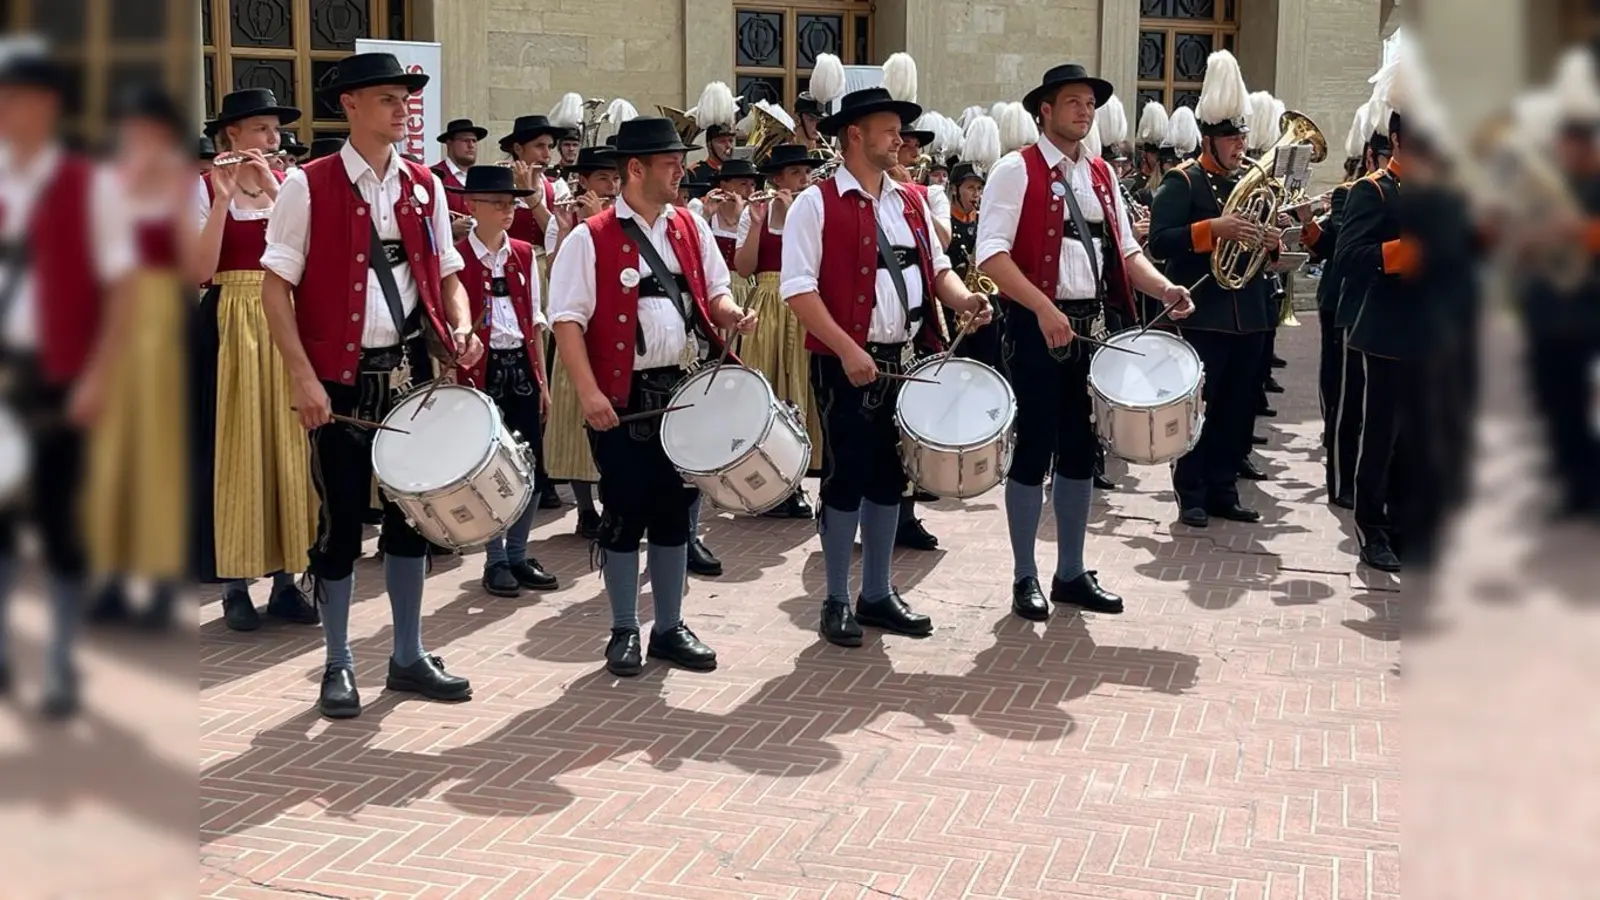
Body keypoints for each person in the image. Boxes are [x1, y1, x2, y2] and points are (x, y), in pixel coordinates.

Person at [260, 51, 481, 718]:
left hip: (411, 375)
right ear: (350, 105)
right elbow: (276, 289)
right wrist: (304, 379)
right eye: (388, 97)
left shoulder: (425, 185)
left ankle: (407, 655)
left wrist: (461, 326)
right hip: (341, 383)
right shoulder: (309, 184)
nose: (402, 107)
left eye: (405, 97)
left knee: (413, 520)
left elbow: (446, 274)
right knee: (340, 526)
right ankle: (337, 662)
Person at [977, 63, 1194, 622]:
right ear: (1044, 111)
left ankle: (1070, 571)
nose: (1084, 110)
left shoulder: (1100, 174)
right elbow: (991, 257)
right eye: (1072, 101)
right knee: (1033, 449)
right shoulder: (1014, 170)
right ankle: (1025, 575)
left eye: (1089, 103)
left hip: (1092, 326)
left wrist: (1164, 286)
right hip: (1034, 323)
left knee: (1080, 449)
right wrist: (1044, 308)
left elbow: (1124, 252)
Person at [781, 86, 993, 647]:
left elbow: (937, 270)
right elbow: (798, 290)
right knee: (845, 479)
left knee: (890, 479)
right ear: (855, 134)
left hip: (905, 362)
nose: (901, 138)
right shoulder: (815, 203)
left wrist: (963, 300)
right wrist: (848, 349)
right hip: (845, 364)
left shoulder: (912, 203)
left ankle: (876, 593)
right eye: (889, 128)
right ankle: (833, 600)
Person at [547, 116, 757, 677]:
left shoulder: (689, 225)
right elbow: (566, 322)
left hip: (685, 390)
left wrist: (733, 314)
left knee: (676, 512)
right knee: (624, 513)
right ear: (635, 170)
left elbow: (715, 291)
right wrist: (590, 394)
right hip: (622, 398)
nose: (680, 172)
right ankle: (622, 629)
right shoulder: (588, 238)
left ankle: (668, 627)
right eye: (670, 163)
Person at [0, 50, 137, 716]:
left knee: (60, 523)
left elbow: (122, 292)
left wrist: (98, 379)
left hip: (62, 376)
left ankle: (58, 664)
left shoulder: (91, 185)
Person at [193, 87, 321, 632]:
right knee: (238, 447)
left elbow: (308, 258)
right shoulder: (199, 187)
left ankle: (290, 579)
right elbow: (197, 269)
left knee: (291, 447)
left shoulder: (290, 187)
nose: (273, 140)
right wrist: (223, 198)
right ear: (232, 137)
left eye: (274, 131)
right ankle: (236, 585)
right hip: (230, 322)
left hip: (285, 316)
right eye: (262, 130)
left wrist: (274, 190)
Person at [1147, 50, 1274, 530]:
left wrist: (1270, 243)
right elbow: (1161, 242)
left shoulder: (1247, 181)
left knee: (1240, 408)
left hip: (1250, 312)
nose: (1239, 146)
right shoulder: (1184, 181)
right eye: (1230, 138)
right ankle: (1192, 490)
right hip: (1205, 312)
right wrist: (1213, 229)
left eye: (1241, 136)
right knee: (1201, 404)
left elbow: (1259, 248)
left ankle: (1224, 488)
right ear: (1209, 140)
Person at [82, 84, 192, 630]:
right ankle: (110, 578)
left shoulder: (180, 187)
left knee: (160, 460)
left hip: (166, 322)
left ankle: (156, 582)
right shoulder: (106, 185)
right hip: (113, 320)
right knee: (111, 459)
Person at [449, 164, 562, 597]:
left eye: (512, 202)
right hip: (481, 369)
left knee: (529, 462)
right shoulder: (458, 256)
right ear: (472, 206)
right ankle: (495, 558)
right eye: (497, 203)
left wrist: (543, 381)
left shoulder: (523, 253)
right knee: (485, 466)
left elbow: (534, 319)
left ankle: (518, 552)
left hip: (520, 366)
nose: (508, 210)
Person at [733, 143, 823, 519]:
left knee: (800, 389)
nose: (804, 180)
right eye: (796, 174)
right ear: (777, 180)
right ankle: (762, 481)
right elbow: (743, 267)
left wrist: (796, 217)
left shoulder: (816, 209)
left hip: (805, 301)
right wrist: (756, 223)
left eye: (806, 173)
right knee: (767, 390)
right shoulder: (758, 211)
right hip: (767, 302)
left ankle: (797, 478)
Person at [543, 145, 621, 540]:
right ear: (584, 182)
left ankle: (612, 501)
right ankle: (585, 508)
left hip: (612, 330)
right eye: (603, 178)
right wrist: (576, 225)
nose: (611, 185)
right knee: (575, 420)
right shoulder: (564, 219)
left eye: (614, 178)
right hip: (576, 331)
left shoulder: (622, 219)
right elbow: (555, 278)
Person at [432, 117, 487, 233]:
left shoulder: (483, 178)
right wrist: (449, 228)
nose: (471, 145)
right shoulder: (433, 176)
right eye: (465, 140)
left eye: (474, 141)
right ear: (449, 144)